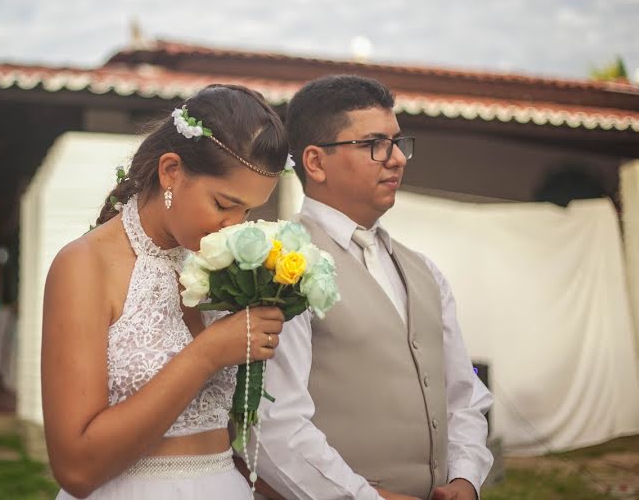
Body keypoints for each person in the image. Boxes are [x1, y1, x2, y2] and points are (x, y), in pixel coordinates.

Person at [42, 84, 292, 499]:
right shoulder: (85, 265)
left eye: (247, 211)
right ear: (171, 171)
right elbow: (76, 468)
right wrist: (208, 353)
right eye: (223, 203)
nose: (235, 226)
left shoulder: (224, 266)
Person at [253, 75, 493, 500]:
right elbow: (274, 423)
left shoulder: (425, 272)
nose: (398, 158)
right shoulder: (278, 267)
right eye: (374, 144)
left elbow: (463, 393)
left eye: (399, 142)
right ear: (315, 162)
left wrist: (466, 478)